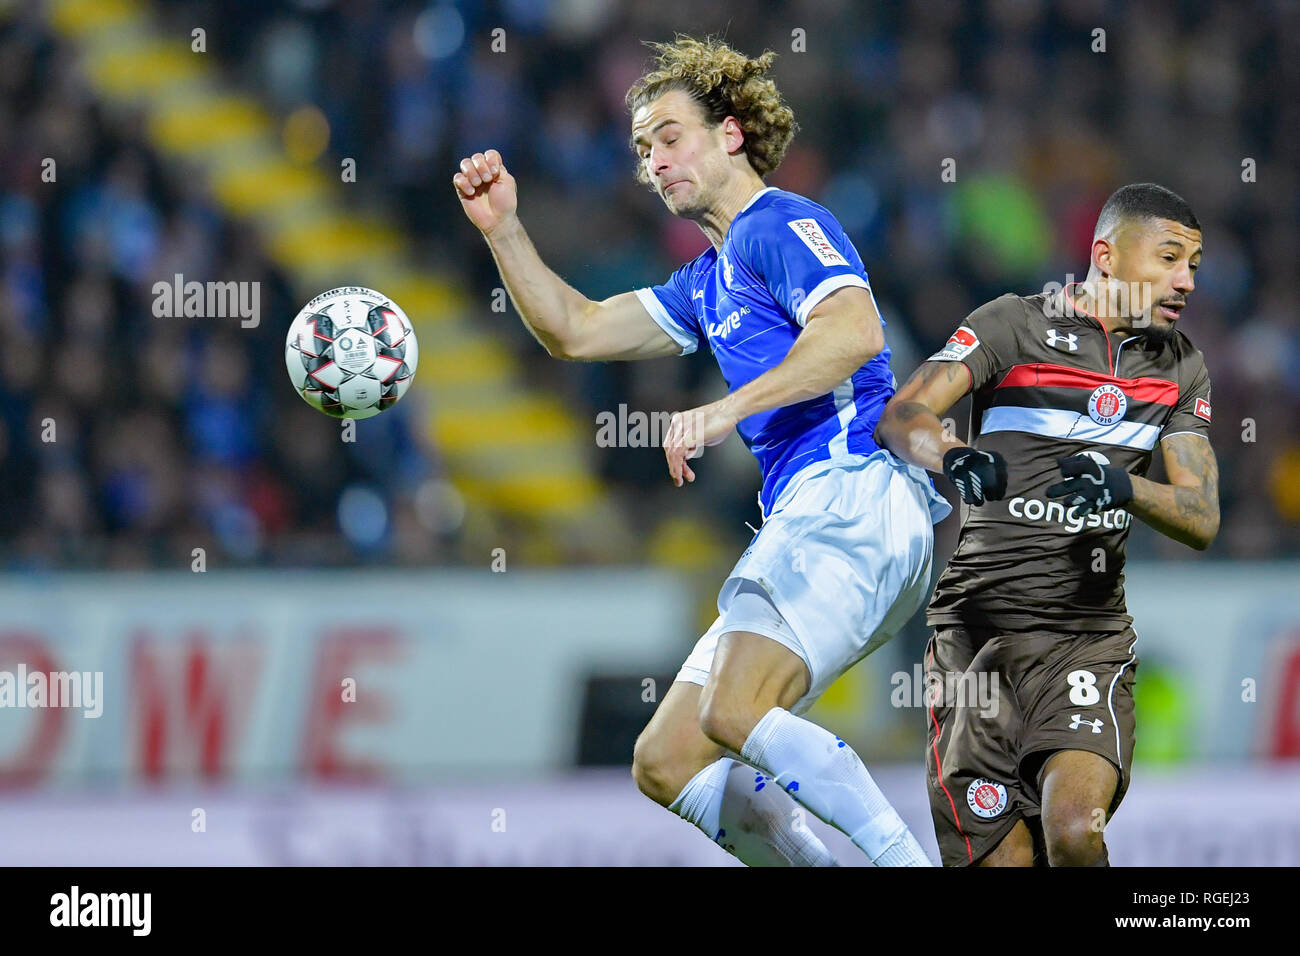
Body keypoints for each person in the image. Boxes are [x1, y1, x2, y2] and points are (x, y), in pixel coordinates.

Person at [453, 35, 950, 866]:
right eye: (644, 148)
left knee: (733, 710)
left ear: (729, 134)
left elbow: (855, 331)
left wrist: (727, 409)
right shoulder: (709, 278)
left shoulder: (779, 224)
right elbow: (574, 330)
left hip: (855, 493)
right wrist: (504, 231)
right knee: (667, 759)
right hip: (816, 514)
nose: (656, 160)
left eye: (671, 135)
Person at [875, 182, 1219, 866]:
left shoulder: (1181, 366)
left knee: (1073, 832)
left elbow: (1201, 516)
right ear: (1106, 256)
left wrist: (1124, 487)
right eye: (1171, 258)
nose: (1185, 281)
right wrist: (954, 454)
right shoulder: (1011, 324)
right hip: (976, 645)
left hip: (1083, 640)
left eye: (1195, 266)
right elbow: (902, 416)